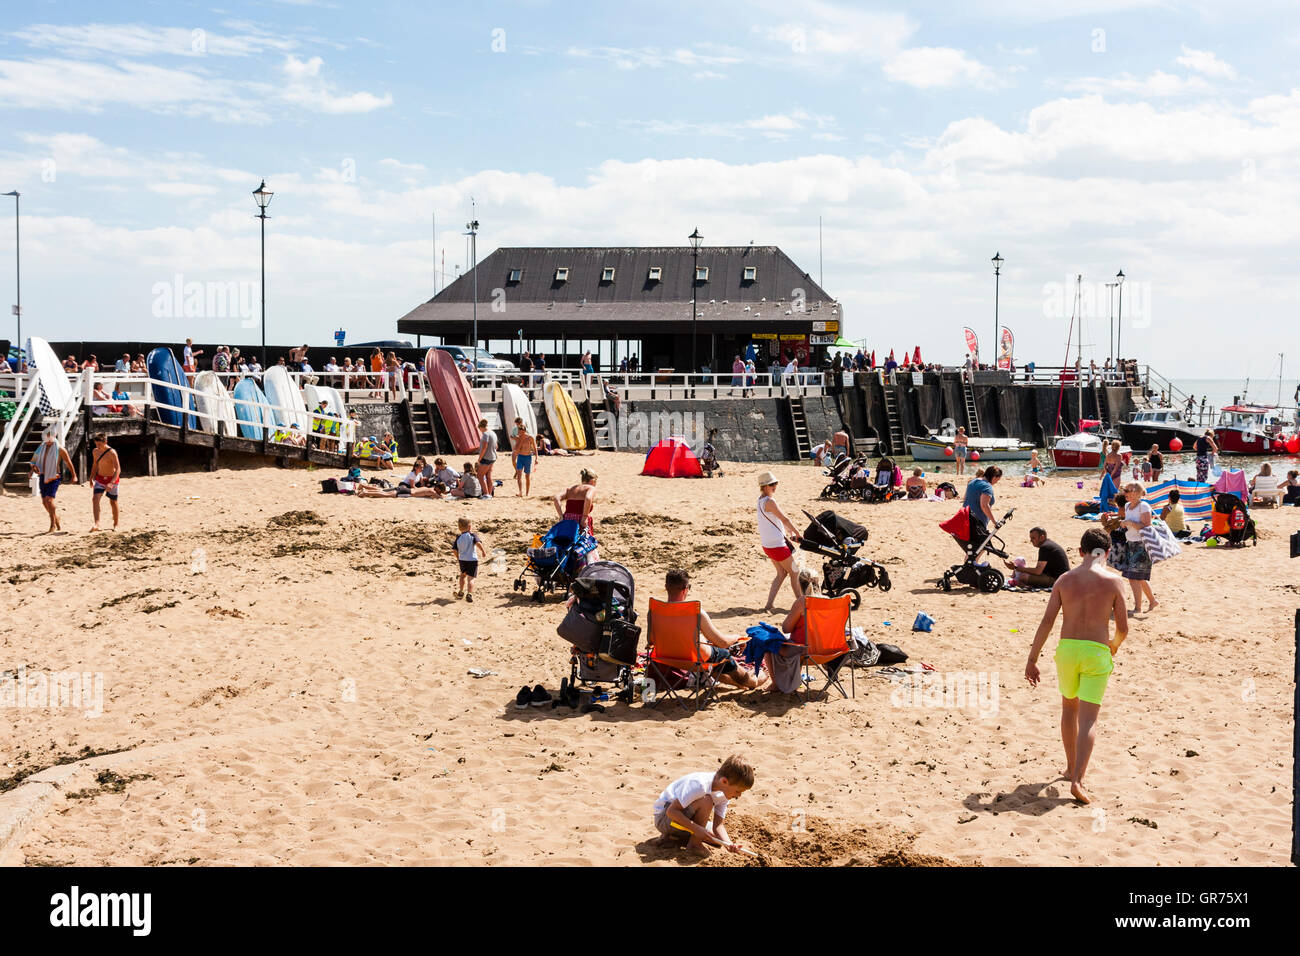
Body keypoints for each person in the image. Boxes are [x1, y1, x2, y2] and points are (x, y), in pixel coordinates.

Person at [1024, 527, 1129, 805]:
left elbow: (1047, 622)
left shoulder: (1064, 580)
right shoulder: (1114, 581)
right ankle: (1078, 780)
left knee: (1068, 708)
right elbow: (1122, 628)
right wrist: (1113, 646)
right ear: (1106, 553)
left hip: (1067, 650)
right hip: (1096, 651)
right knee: (1089, 718)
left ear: (1080, 552)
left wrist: (1032, 658)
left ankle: (1070, 766)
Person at [662, 569, 759, 690]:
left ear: (666, 587)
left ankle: (737, 683)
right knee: (722, 655)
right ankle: (754, 678)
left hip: (667, 658)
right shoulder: (695, 613)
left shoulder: (655, 612)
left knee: (714, 654)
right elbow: (722, 642)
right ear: (686, 588)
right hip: (696, 661)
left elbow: (651, 641)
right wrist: (736, 638)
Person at [651, 755, 754, 857]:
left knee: (717, 841)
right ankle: (694, 845)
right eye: (738, 791)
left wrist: (729, 844)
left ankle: (673, 837)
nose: (739, 795)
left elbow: (718, 826)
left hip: (683, 819)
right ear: (724, 781)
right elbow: (671, 812)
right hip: (664, 819)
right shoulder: (700, 784)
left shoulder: (724, 793)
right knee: (707, 801)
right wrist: (696, 829)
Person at [756, 471, 803, 613]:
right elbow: (784, 519)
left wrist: (788, 532)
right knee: (795, 572)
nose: (774, 486)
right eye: (771, 484)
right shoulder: (770, 501)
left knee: (781, 574)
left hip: (767, 544)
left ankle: (769, 605)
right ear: (764, 486)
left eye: (775, 483)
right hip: (777, 544)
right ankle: (800, 605)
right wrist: (798, 533)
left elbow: (775, 522)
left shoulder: (760, 500)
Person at [1114, 481, 1157, 614]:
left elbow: (1147, 526)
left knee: (1134, 577)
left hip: (1142, 544)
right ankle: (1153, 601)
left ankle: (1138, 608)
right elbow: (1131, 525)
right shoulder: (1127, 506)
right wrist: (1123, 524)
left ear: (1136, 493)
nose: (1125, 493)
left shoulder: (1143, 506)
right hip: (1131, 543)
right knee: (1139, 577)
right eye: (1124, 490)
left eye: (1127, 490)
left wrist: (1130, 523)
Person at [30, 430, 78, 534]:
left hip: (54, 476)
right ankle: (56, 518)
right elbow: (35, 460)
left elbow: (68, 462)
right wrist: (31, 470)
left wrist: (74, 475)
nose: (47, 440)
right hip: (43, 475)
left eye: (48, 438)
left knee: (49, 500)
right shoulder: (41, 447)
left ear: (53, 436)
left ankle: (52, 525)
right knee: (44, 502)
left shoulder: (60, 449)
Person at [1005, 527, 1069, 588]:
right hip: (1062, 578)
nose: (1031, 540)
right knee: (1024, 573)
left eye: (1033, 538)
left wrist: (1016, 568)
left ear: (1042, 537)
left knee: (1023, 577)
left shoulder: (1045, 547)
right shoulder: (1048, 545)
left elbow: (1038, 571)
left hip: (1058, 580)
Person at [88, 434, 121, 532]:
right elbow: (95, 464)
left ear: (105, 442)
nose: (97, 446)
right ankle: (97, 524)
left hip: (112, 479)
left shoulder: (112, 452)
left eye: (99, 444)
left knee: (113, 502)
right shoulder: (95, 451)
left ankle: (116, 523)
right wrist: (91, 478)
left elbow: (118, 469)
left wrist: (111, 483)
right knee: (95, 499)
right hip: (100, 479)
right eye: (96, 444)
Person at [963, 465, 1002, 547]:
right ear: (994, 477)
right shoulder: (987, 486)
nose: (996, 483)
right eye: (997, 480)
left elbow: (965, 498)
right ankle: (972, 560)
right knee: (983, 546)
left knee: (973, 549)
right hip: (976, 522)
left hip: (965, 517)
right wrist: (994, 522)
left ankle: (972, 560)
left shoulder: (972, 482)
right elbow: (984, 505)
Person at [553, 469, 597, 534]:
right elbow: (588, 498)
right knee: (583, 541)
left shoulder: (571, 489)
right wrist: (584, 517)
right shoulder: (590, 488)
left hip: (567, 520)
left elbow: (556, 498)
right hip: (580, 520)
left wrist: (561, 516)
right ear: (592, 481)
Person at [454, 517, 487, 602]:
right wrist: (483, 551)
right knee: (471, 578)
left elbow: (454, 550)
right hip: (472, 560)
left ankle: (461, 591)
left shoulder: (458, 538)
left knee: (462, 576)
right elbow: (478, 543)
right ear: (469, 527)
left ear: (459, 528)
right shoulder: (472, 536)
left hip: (463, 560)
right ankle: (469, 594)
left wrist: (458, 557)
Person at [512, 421, 536, 497]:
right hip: (520, 457)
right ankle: (520, 492)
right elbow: (516, 450)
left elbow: (535, 448)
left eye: (522, 432)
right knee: (519, 475)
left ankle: (527, 492)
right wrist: (520, 440)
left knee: (527, 476)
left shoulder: (530, 438)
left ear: (525, 431)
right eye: (520, 432)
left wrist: (536, 458)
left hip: (528, 457)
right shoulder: (518, 439)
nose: (521, 434)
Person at [476, 419, 498, 497]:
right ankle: (489, 493)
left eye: (480, 429)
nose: (480, 431)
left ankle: (486, 494)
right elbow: (496, 446)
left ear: (481, 427)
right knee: (488, 476)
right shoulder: (493, 433)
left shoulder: (485, 434)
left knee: (480, 476)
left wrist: (479, 459)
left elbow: (484, 447)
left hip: (486, 457)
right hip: (493, 456)